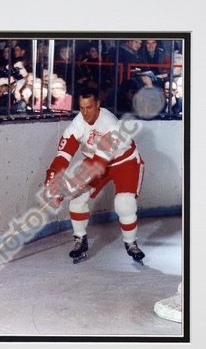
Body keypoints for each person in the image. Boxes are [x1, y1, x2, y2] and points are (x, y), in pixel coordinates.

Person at [44, 87, 145, 264]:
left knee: (124, 203)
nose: (85, 113)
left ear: (97, 104)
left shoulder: (110, 126)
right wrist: (52, 180)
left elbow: (96, 165)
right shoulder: (78, 122)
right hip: (96, 160)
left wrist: (65, 189)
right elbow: (63, 155)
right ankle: (80, 240)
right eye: (81, 108)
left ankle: (131, 243)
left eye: (89, 107)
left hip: (124, 162)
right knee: (77, 200)